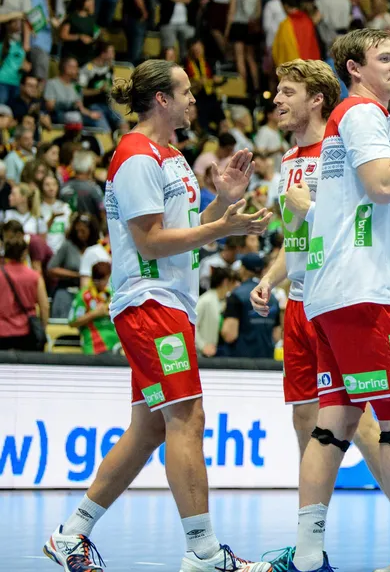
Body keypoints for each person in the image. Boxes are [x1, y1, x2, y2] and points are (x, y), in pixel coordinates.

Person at [43, 59, 272, 572]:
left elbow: (185, 232)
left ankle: (71, 534)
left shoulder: (172, 155)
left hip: (171, 301)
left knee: (149, 429)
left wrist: (222, 206)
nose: (195, 99)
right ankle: (205, 552)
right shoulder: (135, 156)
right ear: (162, 100)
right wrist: (218, 232)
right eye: (186, 91)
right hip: (149, 302)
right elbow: (148, 241)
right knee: (188, 418)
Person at [267, 31, 390, 572]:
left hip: (335, 298)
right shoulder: (359, 113)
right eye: (385, 58)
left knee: (332, 426)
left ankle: (308, 555)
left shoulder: (362, 126)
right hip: (362, 297)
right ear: (355, 68)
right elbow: (384, 185)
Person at [247, 59, 384, 476]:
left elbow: (363, 224)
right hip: (299, 303)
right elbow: (297, 240)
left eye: (289, 92)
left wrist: (311, 209)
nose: (277, 99)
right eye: (277, 91)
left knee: (357, 420)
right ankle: (310, 534)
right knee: (304, 416)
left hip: (337, 299)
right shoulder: (288, 161)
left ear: (318, 99)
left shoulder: (343, 152)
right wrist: (269, 279)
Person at [69, 261, 116, 355]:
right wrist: (95, 314)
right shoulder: (83, 296)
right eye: (106, 279)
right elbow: (73, 322)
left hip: (115, 344)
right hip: (93, 346)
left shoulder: (110, 294)